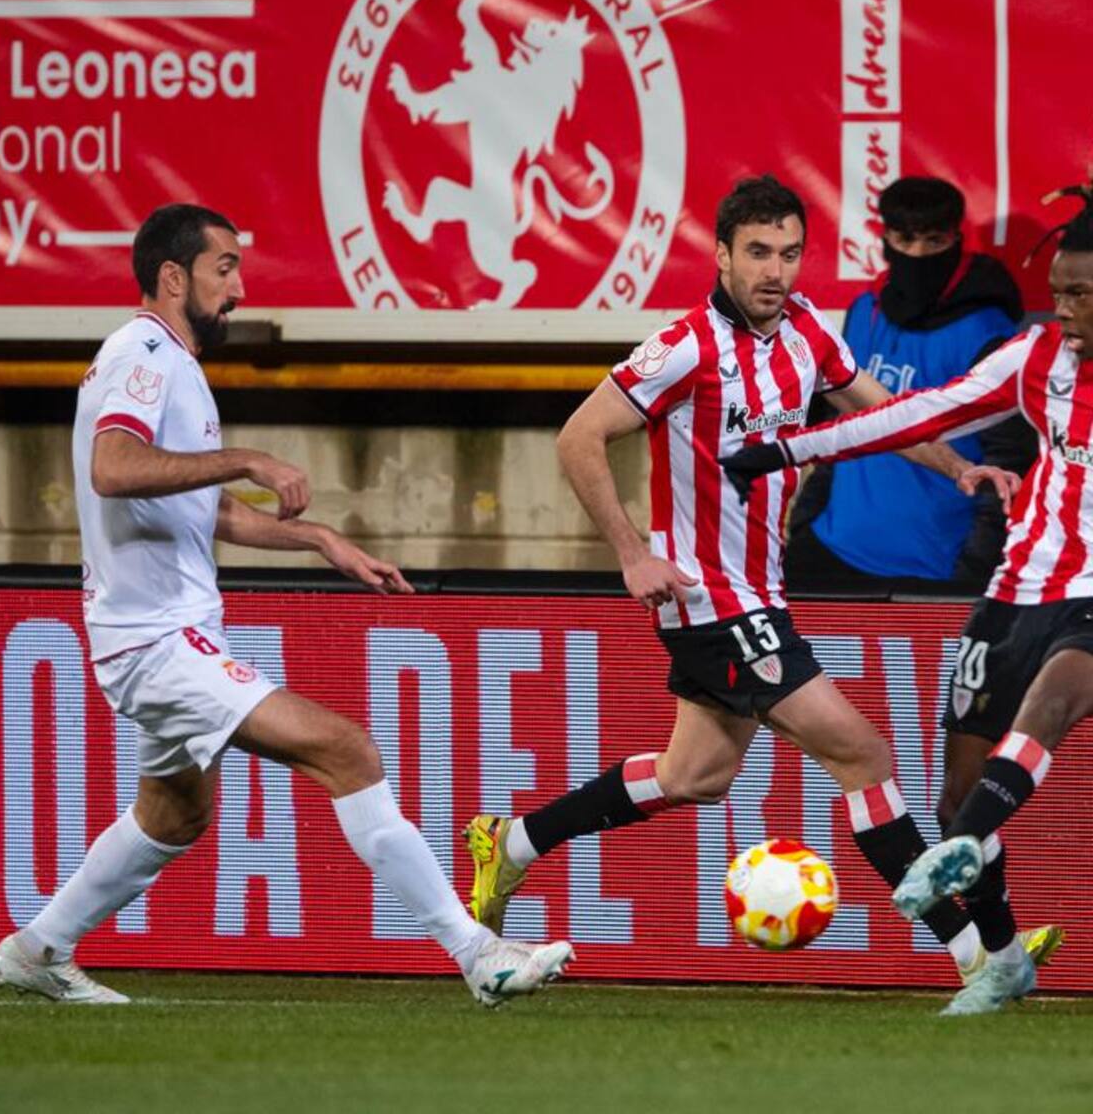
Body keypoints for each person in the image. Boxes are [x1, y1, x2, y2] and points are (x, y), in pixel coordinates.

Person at [462, 175, 1037, 997]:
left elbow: (877, 412)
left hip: (759, 594)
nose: (776, 270)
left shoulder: (806, 331)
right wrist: (632, 552)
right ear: (722, 254)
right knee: (865, 754)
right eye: (758, 253)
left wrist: (957, 465)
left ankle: (512, 842)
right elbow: (579, 437)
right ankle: (977, 957)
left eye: (791, 253)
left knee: (696, 775)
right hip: (709, 600)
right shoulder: (684, 346)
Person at [0, 203, 572, 1007]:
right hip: (155, 641)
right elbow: (115, 468)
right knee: (346, 749)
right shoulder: (143, 350)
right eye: (223, 267)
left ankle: (39, 947)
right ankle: (479, 954)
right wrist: (249, 456)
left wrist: (323, 540)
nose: (237, 286)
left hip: (157, 634)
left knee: (175, 812)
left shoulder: (172, 365)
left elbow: (201, 507)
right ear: (172, 277)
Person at [719, 182, 1093, 1014]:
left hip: (1092, 600)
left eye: (1078, 294)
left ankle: (958, 850)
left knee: (1057, 698)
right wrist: (787, 450)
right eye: (1058, 290)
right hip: (1018, 590)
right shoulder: (1037, 361)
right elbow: (913, 414)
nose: (1059, 308)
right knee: (956, 788)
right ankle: (1001, 961)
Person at [786, 177, 1034, 594]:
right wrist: (806, 521)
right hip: (827, 552)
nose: (918, 254)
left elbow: (1010, 466)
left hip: (931, 571)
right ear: (885, 239)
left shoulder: (989, 334)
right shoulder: (864, 311)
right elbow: (841, 423)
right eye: (905, 239)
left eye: (934, 241)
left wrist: (972, 573)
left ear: (956, 240)